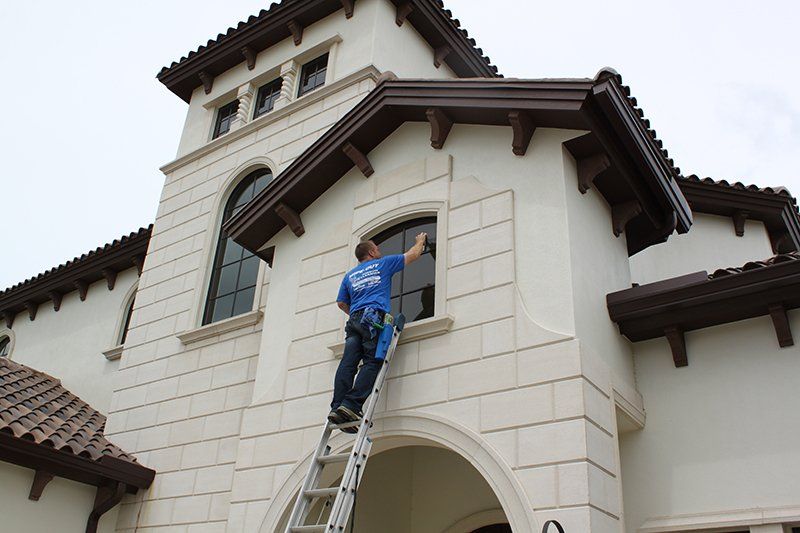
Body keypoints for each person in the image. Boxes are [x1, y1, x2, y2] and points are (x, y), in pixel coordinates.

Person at [328, 232, 428, 431]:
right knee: (373, 360)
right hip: (372, 317)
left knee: (348, 363)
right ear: (372, 252)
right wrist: (420, 240)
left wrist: (356, 312)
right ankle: (351, 405)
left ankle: (337, 406)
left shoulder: (350, 276)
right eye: (378, 249)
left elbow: (341, 303)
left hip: (354, 319)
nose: (380, 251)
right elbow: (414, 254)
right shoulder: (383, 264)